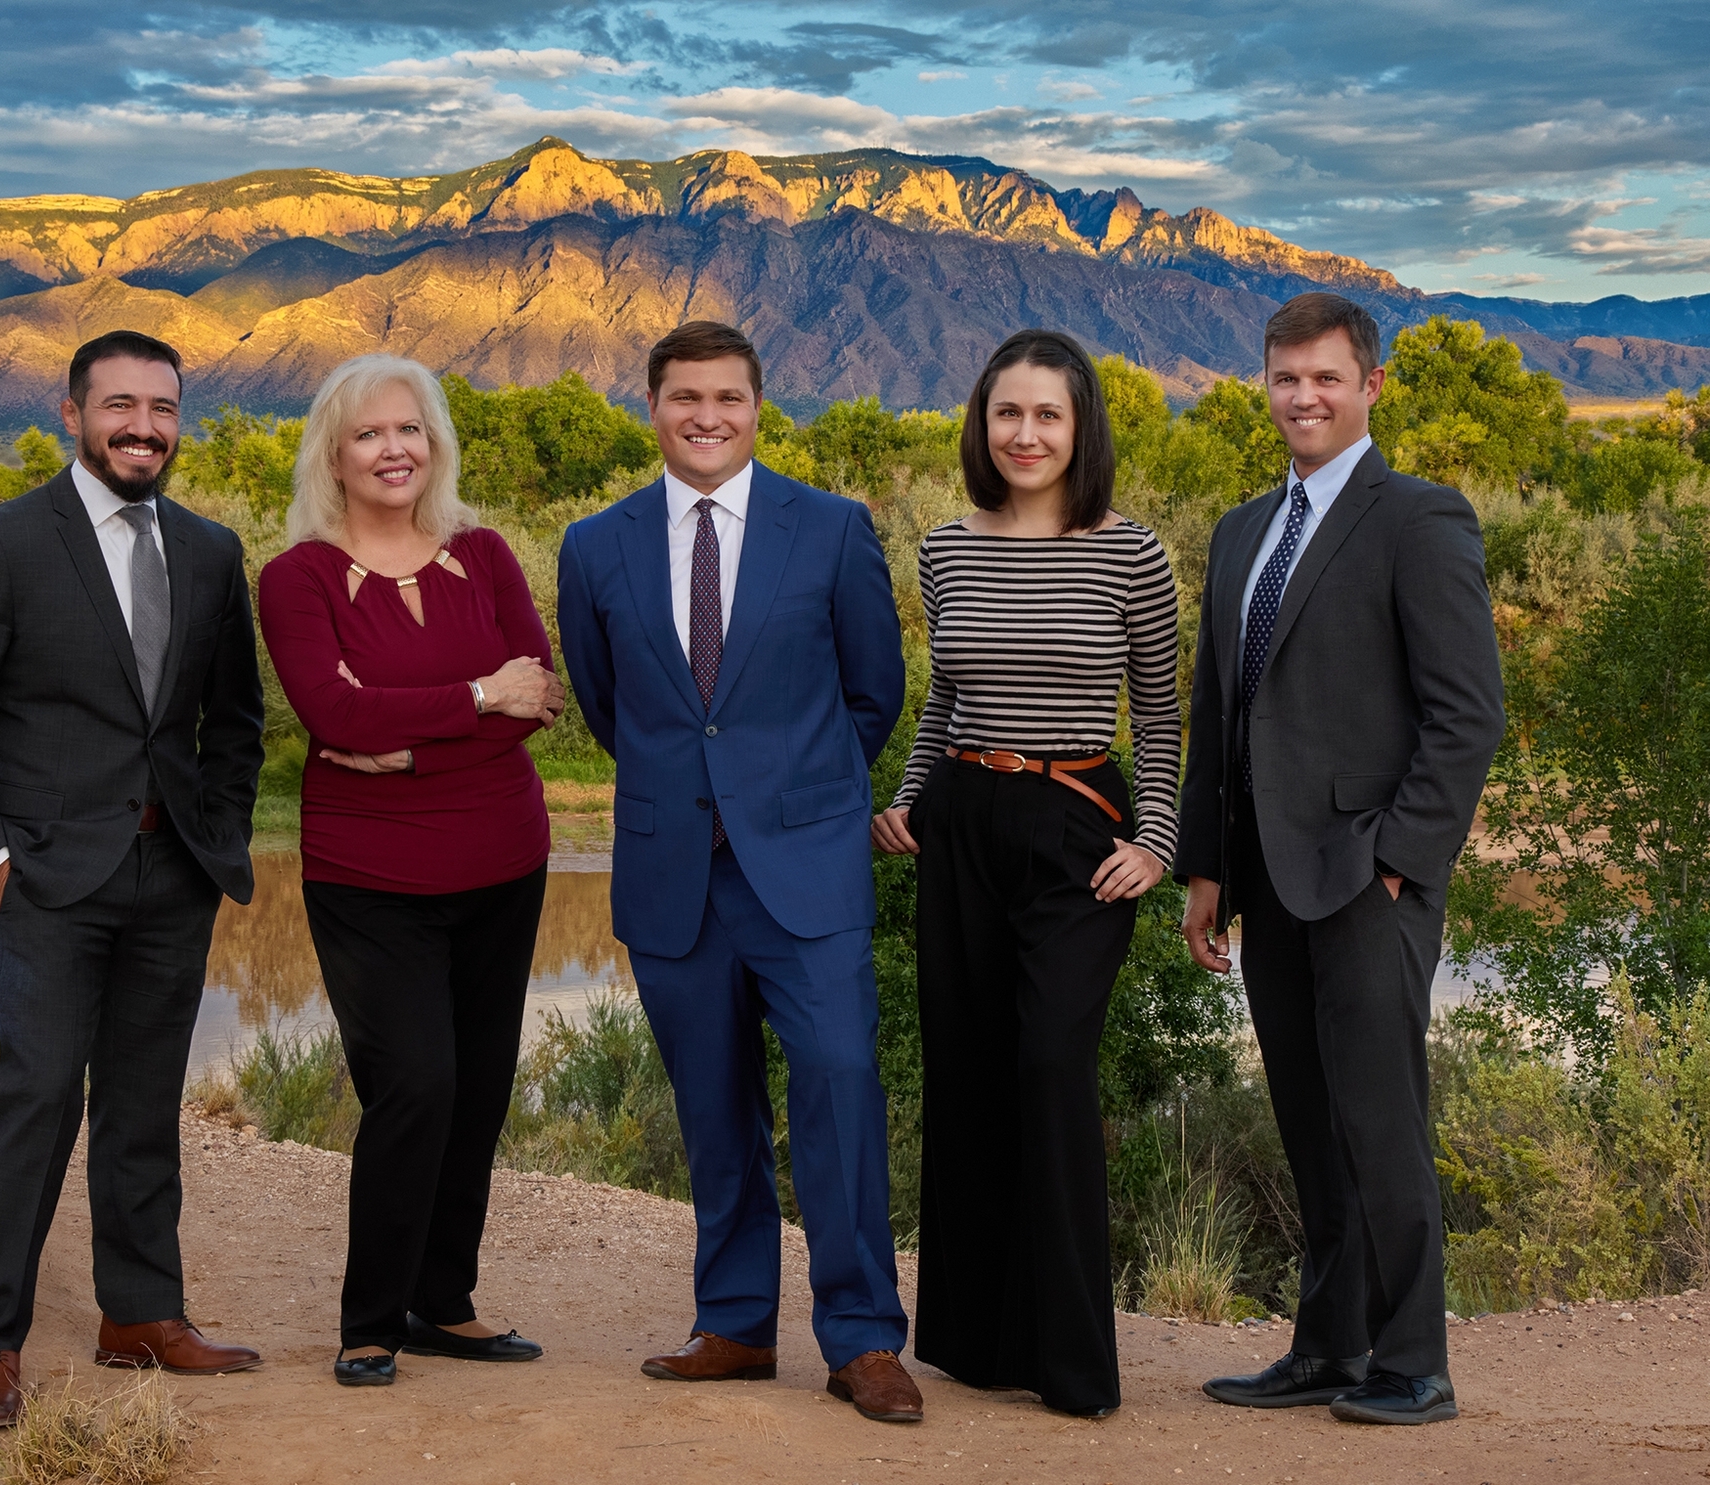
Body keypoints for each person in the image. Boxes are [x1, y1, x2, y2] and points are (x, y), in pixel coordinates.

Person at [0, 330, 268, 1428]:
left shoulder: (210, 552)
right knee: (40, 1097)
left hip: (171, 876)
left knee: (145, 1105)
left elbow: (233, 724)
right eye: (120, 406)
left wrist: (216, 838)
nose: (142, 427)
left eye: (161, 407)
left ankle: (139, 1316)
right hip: (43, 881)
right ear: (72, 412)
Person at [557, 320, 919, 1424]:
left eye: (726, 397)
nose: (704, 417)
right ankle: (734, 1325)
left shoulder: (832, 530)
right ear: (652, 408)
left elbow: (874, 693)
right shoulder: (594, 545)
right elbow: (609, 706)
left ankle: (861, 1340)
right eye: (682, 399)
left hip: (804, 870)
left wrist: (791, 796)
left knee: (840, 1089)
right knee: (714, 1112)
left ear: (760, 406)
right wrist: (698, 800)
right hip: (675, 874)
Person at [1177, 293, 1504, 1425]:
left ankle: (1413, 1362)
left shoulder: (1417, 517)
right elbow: (1216, 715)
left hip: (1370, 877)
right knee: (1308, 1122)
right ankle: (1325, 1346)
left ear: (1368, 387)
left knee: (1379, 1119)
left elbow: (1466, 715)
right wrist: (1206, 868)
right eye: (1284, 378)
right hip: (1264, 878)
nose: (1303, 397)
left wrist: (1402, 862)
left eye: (1324, 378)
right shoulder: (1236, 532)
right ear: (1262, 387)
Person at [871, 329, 1180, 1417]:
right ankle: (972, 1341)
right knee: (965, 1075)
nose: (1026, 433)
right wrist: (907, 797)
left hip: (1073, 829)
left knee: (1050, 1068)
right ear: (981, 423)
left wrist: (1156, 842)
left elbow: (1162, 712)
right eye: (1007, 413)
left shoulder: (1130, 553)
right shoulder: (945, 547)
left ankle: (1067, 1362)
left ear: (1080, 426)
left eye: (1047, 414)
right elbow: (943, 697)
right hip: (959, 820)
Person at [256, 354, 563, 1388]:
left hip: (503, 862)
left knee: (476, 1089)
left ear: (434, 444)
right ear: (332, 457)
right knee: (414, 1083)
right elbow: (330, 717)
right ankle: (371, 1316)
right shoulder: (295, 577)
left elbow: (543, 700)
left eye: (409, 430)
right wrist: (480, 697)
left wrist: (413, 739)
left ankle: (444, 1302)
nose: (392, 450)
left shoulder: (484, 555)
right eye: (367, 435)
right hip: (368, 876)